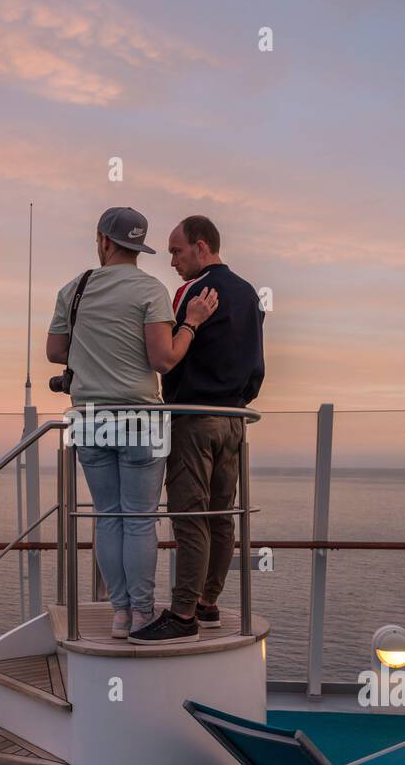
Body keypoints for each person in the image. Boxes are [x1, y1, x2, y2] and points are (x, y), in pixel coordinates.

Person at [46, 207, 218, 638]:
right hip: (141, 417)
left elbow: (55, 351)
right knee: (139, 519)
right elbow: (164, 359)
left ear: (103, 240)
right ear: (138, 247)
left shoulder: (75, 289)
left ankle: (119, 613)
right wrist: (191, 324)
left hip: (90, 418)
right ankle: (142, 614)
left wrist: (94, 352)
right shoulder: (151, 290)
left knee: (108, 516)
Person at [129, 214, 264, 644]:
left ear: (201, 246)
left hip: (193, 419)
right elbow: (256, 363)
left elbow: (170, 355)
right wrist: (238, 399)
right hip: (234, 422)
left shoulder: (191, 292)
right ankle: (208, 605)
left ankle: (183, 614)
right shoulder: (247, 294)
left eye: (176, 250)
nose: (172, 261)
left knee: (190, 517)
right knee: (223, 517)